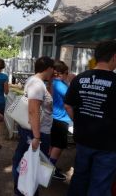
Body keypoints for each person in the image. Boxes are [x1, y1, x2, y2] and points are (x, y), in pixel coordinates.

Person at [65, 41, 116, 196]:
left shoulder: (79, 78)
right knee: (99, 184)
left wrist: (79, 122)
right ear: (114, 57)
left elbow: (68, 105)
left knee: (79, 178)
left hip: (83, 139)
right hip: (108, 144)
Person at [12, 56, 54, 196]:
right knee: (27, 163)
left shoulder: (36, 81)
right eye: (52, 69)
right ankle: (24, 191)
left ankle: (25, 190)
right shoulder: (37, 84)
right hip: (36, 132)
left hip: (33, 130)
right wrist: (37, 137)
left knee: (25, 162)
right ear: (48, 68)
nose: (53, 72)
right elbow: (33, 110)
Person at [49, 60, 72, 181]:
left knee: (53, 144)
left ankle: (48, 166)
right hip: (60, 118)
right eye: (67, 73)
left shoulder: (53, 82)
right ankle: (50, 168)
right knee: (58, 145)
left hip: (54, 117)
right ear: (61, 73)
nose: (68, 75)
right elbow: (72, 98)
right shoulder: (61, 85)